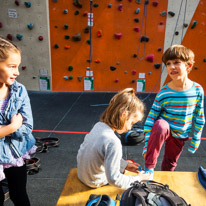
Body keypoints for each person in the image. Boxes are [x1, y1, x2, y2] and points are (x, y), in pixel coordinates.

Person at [143, 45, 205, 175]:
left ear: (188, 66)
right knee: (160, 125)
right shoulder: (164, 92)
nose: (171, 67)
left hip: (180, 133)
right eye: (168, 64)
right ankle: (148, 169)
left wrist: (196, 139)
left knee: (170, 163)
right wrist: (147, 145)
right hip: (165, 129)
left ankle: (166, 178)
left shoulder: (197, 90)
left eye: (177, 62)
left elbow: (199, 117)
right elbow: (151, 117)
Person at [77, 88, 151, 190]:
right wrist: (138, 179)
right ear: (124, 115)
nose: (130, 128)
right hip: (94, 181)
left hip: (83, 176)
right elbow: (114, 179)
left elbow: (101, 154)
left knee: (124, 168)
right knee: (124, 177)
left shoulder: (98, 126)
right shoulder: (113, 142)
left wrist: (125, 165)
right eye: (132, 123)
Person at [0, 37, 36, 205]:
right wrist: (14, 126)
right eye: (11, 66)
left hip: (14, 152)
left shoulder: (19, 90)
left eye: (18, 66)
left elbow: (27, 126)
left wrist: (4, 130)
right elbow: (19, 125)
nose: (17, 72)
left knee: (19, 194)